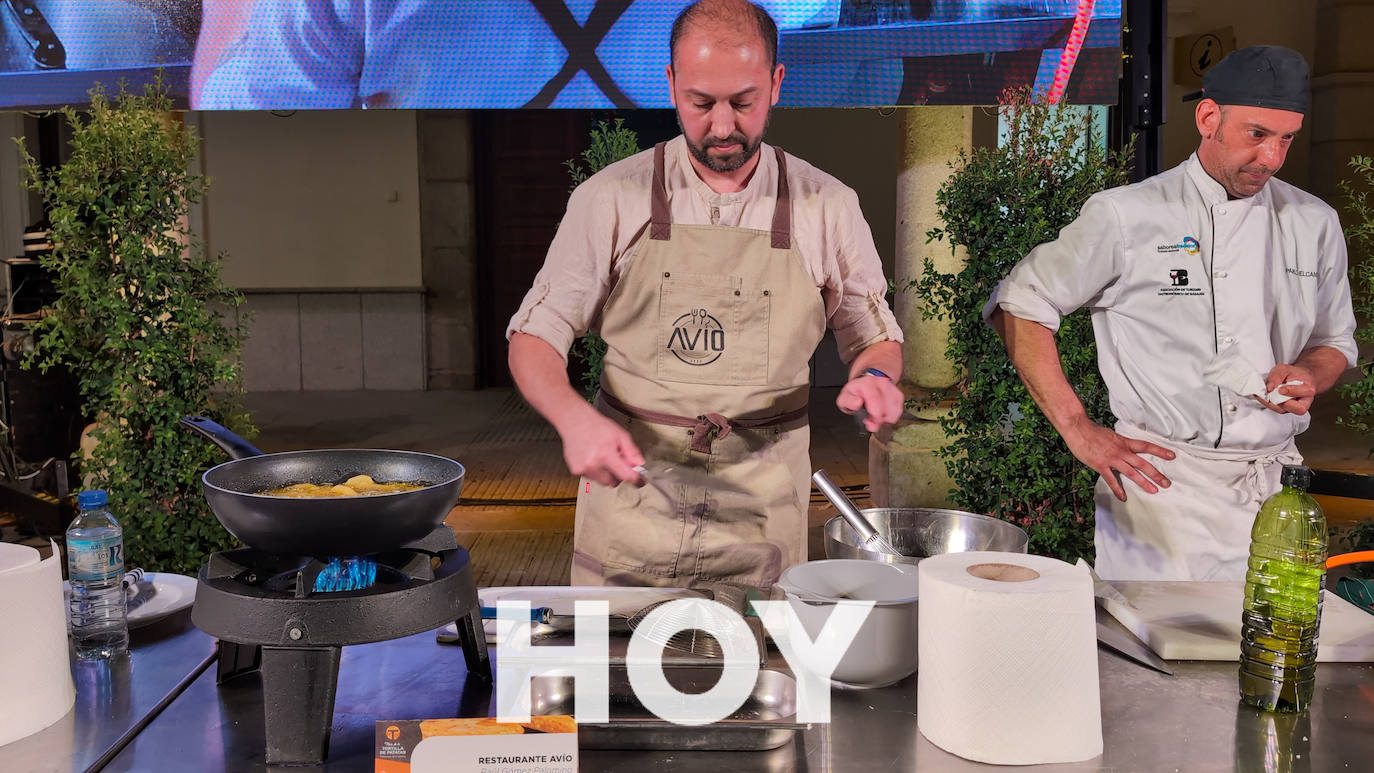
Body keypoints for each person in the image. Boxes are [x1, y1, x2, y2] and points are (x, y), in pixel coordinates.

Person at [507, 0, 904, 590]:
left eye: (743, 102)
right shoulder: (610, 198)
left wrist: (874, 378)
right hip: (633, 508)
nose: (721, 127)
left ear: (776, 84)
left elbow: (875, 339)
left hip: (763, 513)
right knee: (615, 653)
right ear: (670, 84)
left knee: (759, 649)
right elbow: (534, 336)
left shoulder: (828, 206)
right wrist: (574, 420)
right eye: (700, 103)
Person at [984, 45, 1357, 581]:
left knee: (1272, 631)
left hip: (1273, 488)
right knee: (1154, 637)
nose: (1272, 157)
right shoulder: (1127, 214)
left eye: (1286, 139)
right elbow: (1021, 302)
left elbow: (1335, 340)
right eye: (1257, 134)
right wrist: (1077, 428)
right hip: (1162, 491)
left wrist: (1309, 374)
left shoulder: (1313, 221)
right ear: (1208, 118)